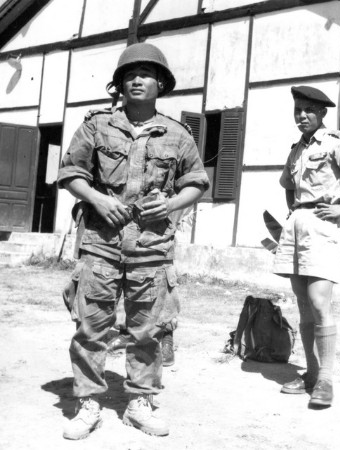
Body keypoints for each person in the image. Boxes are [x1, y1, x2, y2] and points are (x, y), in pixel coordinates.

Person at [58, 42, 209, 439]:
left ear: (161, 83)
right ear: (119, 84)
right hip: (100, 243)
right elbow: (70, 172)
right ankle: (88, 402)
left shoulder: (177, 135)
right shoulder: (96, 126)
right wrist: (96, 198)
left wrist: (171, 205)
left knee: (147, 330)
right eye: (129, 75)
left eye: (145, 74)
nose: (136, 80)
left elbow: (197, 182)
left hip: (151, 246)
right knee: (91, 327)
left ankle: (140, 401)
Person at [273, 86, 340, 407]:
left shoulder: (338, 141)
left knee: (319, 302)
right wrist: (293, 209)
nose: (302, 116)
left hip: (324, 226)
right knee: (303, 304)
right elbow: (287, 184)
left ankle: (326, 380)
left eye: (309, 110)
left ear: (322, 113)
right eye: (298, 110)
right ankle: (310, 372)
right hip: (297, 225)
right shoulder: (297, 149)